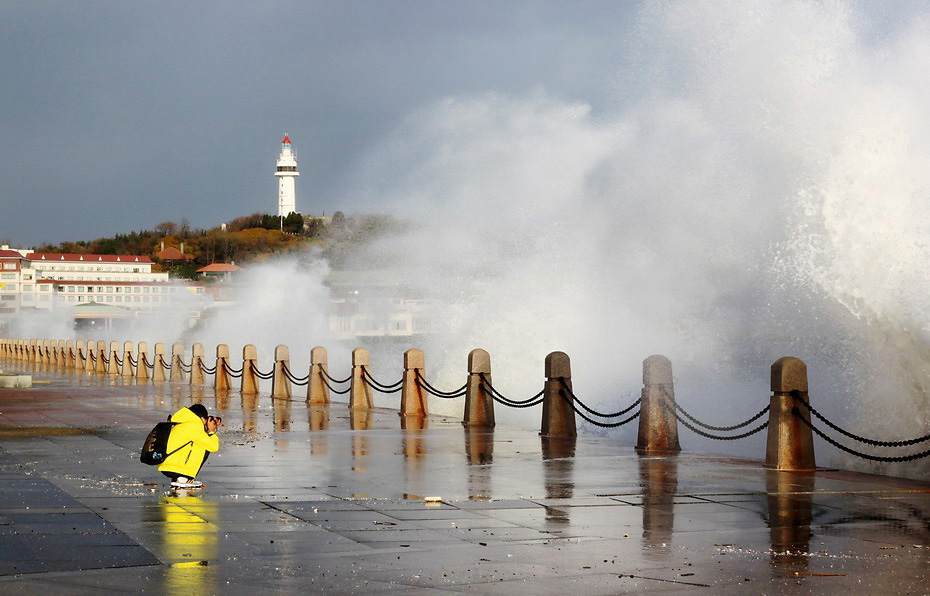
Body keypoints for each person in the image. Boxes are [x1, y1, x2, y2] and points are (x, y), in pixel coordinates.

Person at [158, 404, 221, 489]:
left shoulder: (185, 422)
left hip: (167, 464)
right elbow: (213, 447)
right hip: (175, 468)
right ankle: (183, 478)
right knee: (205, 446)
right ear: (202, 418)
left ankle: (179, 478)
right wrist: (211, 431)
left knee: (201, 442)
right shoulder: (194, 426)